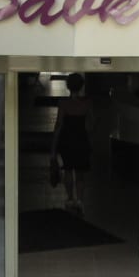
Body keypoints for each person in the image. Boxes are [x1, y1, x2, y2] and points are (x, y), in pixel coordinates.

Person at [50, 73, 91, 213]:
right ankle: (80, 200)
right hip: (82, 139)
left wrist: (53, 146)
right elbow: (92, 123)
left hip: (67, 140)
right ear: (81, 86)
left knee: (68, 169)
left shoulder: (63, 103)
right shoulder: (87, 103)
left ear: (68, 86)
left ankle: (70, 198)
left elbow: (59, 124)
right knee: (80, 172)